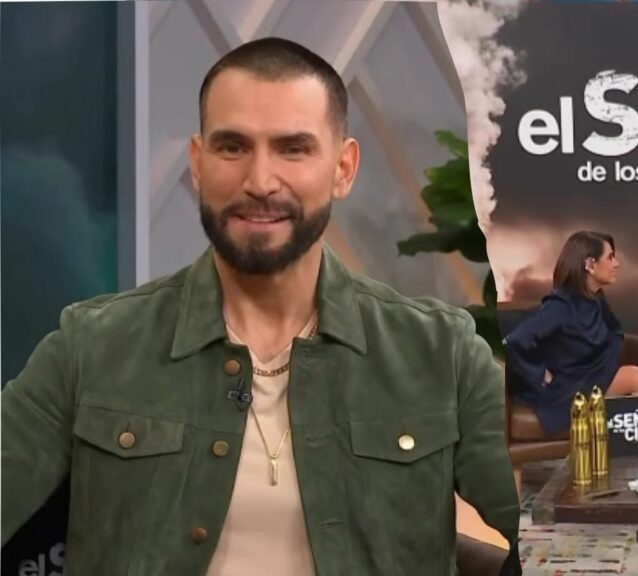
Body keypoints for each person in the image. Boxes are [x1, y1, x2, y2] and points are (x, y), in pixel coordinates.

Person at [1, 37, 521, 576]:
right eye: (232, 148)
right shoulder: (91, 348)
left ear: (343, 168)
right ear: (198, 163)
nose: (260, 182)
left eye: (293, 149)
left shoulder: (440, 353)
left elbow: (557, 529)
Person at [503, 231, 638, 436]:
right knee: (635, 376)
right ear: (590, 265)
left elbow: (613, 335)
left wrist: (603, 365)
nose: (616, 264)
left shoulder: (595, 300)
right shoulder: (561, 305)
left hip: (590, 378)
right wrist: (541, 375)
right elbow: (515, 341)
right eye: (610, 257)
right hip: (565, 391)